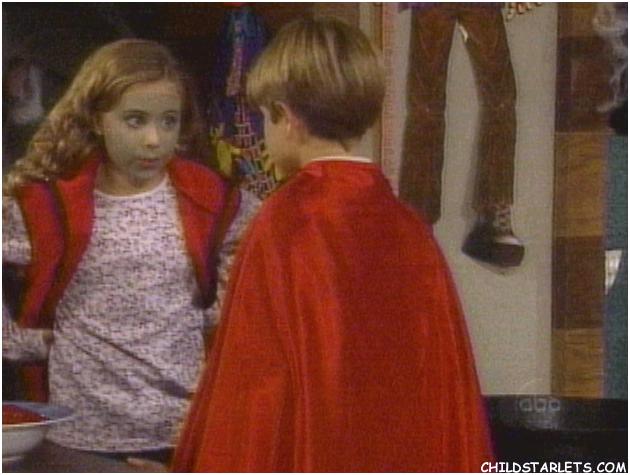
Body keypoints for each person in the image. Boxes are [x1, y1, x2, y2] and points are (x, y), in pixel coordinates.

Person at [172, 16, 494, 472]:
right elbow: (445, 385)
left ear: (286, 118)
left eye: (263, 117)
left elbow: (252, 389)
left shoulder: (284, 223)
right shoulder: (410, 228)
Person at [2, 38, 259, 462]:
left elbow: (260, 261)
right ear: (97, 119)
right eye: (135, 120)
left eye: (169, 121)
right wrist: (16, 341)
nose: (154, 139)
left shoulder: (210, 199)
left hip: (183, 430)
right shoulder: (50, 204)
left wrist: (210, 323)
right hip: (80, 435)